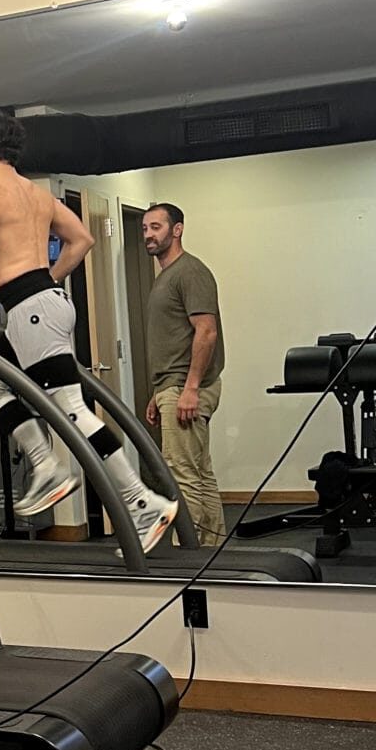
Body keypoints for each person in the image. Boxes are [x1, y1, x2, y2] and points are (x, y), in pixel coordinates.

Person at [0, 109, 176, 553]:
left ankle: (142, 501)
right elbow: (82, 240)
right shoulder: (38, 194)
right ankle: (46, 463)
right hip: (40, 304)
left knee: (71, 409)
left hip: (31, 308)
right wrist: (47, 278)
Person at [142, 202, 226, 547]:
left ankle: (189, 556)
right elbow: (175, 340)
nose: (148, 234)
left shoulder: (189, 272)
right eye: (145, 228)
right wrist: (159, 392)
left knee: (182, 475)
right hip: (173, 386)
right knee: (199, 473)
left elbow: (206, 332)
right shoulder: (167, 276)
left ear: (177, 229)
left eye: (156, 227)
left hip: (186, 388)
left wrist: (188, 388)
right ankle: (212, 549)